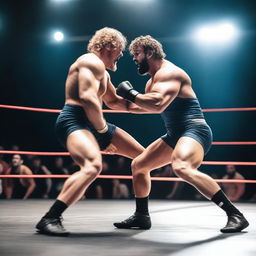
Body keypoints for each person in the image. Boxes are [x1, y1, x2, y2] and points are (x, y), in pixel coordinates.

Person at [114, 35, 249, 233]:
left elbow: (157, 103)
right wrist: (117, 102)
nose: (134, 58)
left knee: (182, 166)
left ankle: (235, 214)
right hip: (175, 135)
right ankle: (141, 216)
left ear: (149, 52)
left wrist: (130, 94)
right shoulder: (152, 83)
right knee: (139, 165)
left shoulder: (170, 73)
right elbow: (148, 107)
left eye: (137, 53)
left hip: (195, 130)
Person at [35, 27, 144, 236]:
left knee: (144, 158)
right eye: (120, 49)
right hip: (74, 121)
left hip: (94, 122)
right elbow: (87, 98)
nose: (121, 55)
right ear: (109, 46)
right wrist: (102, 131)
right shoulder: (89, 61)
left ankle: (142, 214)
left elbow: (115, 103)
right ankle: (50, 217)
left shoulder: (102, 73)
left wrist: (156, 106)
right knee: (93, 166)